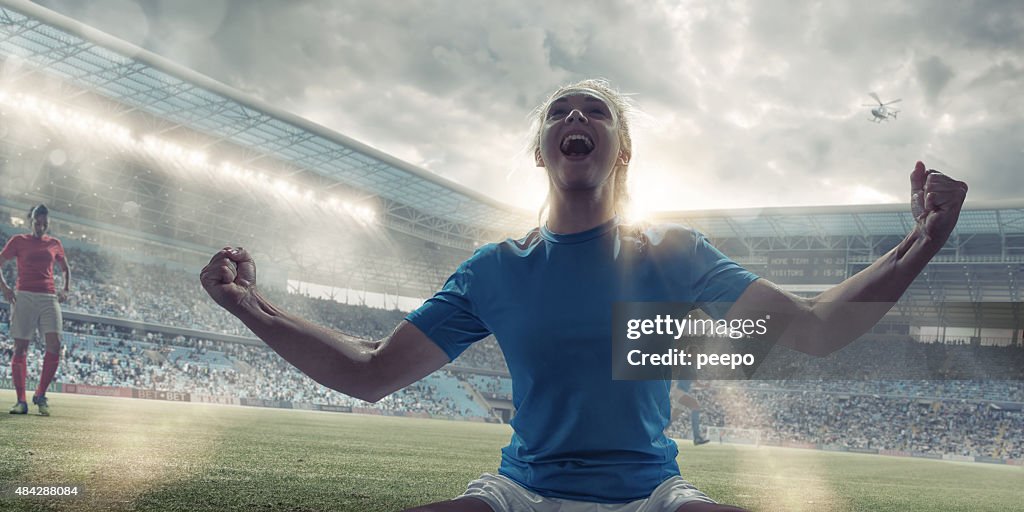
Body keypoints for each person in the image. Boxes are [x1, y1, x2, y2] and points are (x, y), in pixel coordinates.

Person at [201, 79, 967, 511]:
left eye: (594, 111)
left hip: (654, 496)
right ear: (540, 151)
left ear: (619, 148)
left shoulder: (674, 253)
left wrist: (923, 239)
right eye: (560, 113)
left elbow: (817, 329)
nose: (576, 118)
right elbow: (369, 373)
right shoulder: (494, 268)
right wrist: (249, 305)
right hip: (517, 494)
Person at [1, 204, 71, 416]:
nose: (41, 225)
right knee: (21, 347)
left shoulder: (55, 244)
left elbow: (66, 269)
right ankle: (21, 401)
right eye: (37, 222)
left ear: (48, 223)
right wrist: (4, 287)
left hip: (49, 296)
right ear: (31, 221)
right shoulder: (18, 241)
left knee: (55, 344)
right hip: (24, 295)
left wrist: (66, 289)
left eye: (44, 222)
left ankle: (40, 394)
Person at [672, 380, 710, 446]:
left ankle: (658, 433)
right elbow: (697, 383)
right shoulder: (691, 370)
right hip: (680, 392)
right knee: (695, 405)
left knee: (674, 416)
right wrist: (705, 385)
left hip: (678, 391)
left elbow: (694, 384)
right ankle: (697, 438)